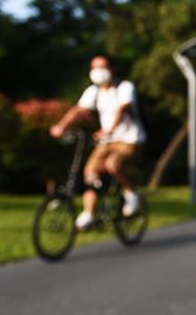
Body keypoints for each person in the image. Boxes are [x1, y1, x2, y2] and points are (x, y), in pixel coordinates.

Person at [50, 55, 146, 229]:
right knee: (90, 173)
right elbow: (78, 110)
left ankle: (132, 194)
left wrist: (110, 129)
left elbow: (122, 109)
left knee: (112, 164)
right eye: (94, 67)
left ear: (112, 69)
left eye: (102, 67)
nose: (97, 72)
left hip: (129, 139)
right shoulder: (93, 91)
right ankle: (89, 214)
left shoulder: (124, 87)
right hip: (106, 141)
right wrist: (62, 126)